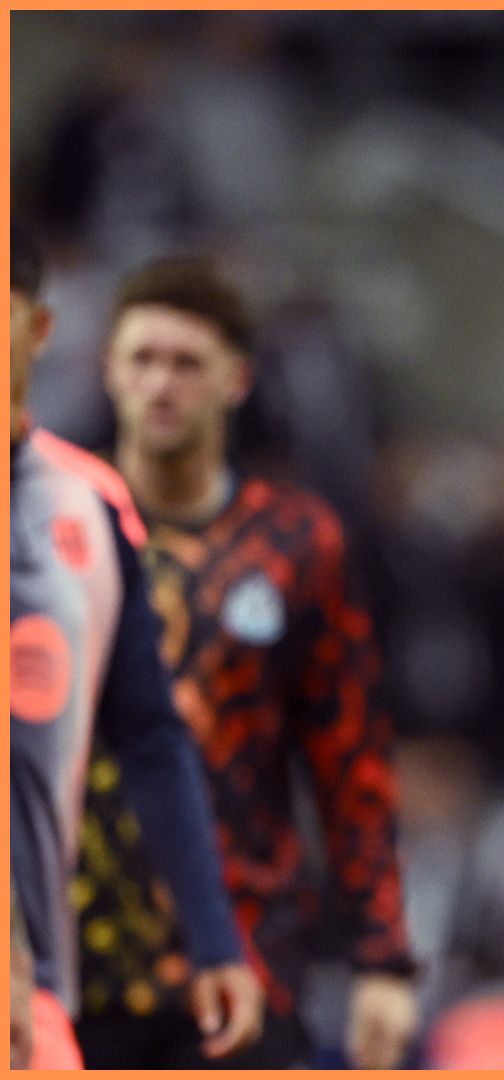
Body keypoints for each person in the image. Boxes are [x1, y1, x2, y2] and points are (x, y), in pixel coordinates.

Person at [69, 255, 417, 1068]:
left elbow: (351, 763)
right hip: (77, 961)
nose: (162, 384)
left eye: (187, 363)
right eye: (143, 359)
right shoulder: (54, 529)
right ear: (108, 369)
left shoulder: (296, 545)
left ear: (236, 379)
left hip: (247, 960)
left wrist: (383, 958)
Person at [9, 227, 263, 1068]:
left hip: (38, 993)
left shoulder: (87, 505)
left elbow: (150, 734)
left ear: (38, 329)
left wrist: (213, 937)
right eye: (144, 358)